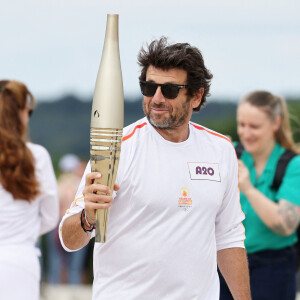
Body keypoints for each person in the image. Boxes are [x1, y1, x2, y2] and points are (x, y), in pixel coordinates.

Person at [59, 37, 251, 299]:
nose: (157, 98)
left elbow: (228, 237)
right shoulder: (115, 149)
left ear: (196, 96)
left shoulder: (220, 150)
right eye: (149, 87)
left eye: (170, 90)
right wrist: (88, 218)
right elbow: (69, 241)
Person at [219, 91, 300, 300]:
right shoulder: (229, 153)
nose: (246, 134)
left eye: (254, 127)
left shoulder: (293, 164)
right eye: (242, 125)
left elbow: (286, 225)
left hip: (274, 267)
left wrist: (248, 187)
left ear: (275, 123)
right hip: (226, 261)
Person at [0, 80, 59, 299]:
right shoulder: (37, 157)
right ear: (22, 113)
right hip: (20, 261)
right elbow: (50, 217)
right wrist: (25, 230)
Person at [46, 154, 89, 284]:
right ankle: (73, 288)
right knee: (75, 264)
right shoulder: (79, 186)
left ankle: (55, 288)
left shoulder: (58, 185)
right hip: (77, 223)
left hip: (57, 223)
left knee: (56, 261)